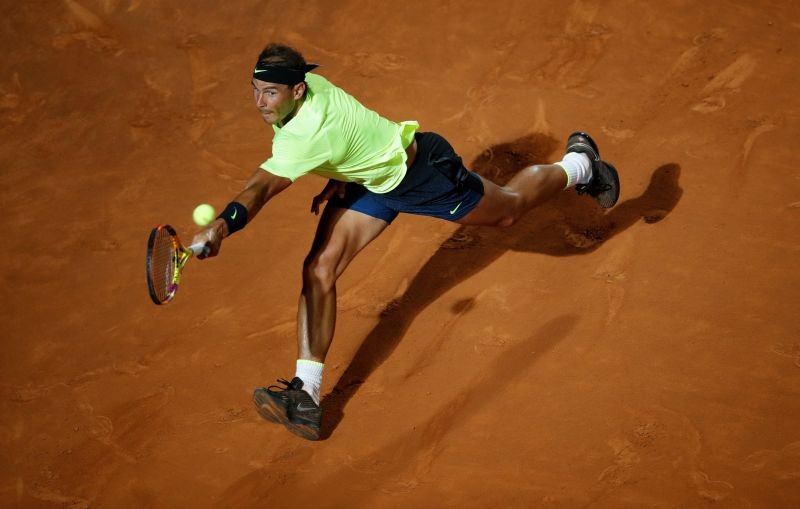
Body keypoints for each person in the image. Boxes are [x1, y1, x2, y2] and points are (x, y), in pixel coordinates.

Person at [191, 43, 619, 440]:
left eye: (270, 93)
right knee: (319, 268)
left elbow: (260, 189)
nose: (260, 103)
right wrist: (340, 176)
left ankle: (580, 164)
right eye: (255, 91)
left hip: (421, 174)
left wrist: (222, 226)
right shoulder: (308, 86)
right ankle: (306, 395)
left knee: (507, 210)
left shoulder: (303, 135)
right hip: (371, 179)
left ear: (298, 90)